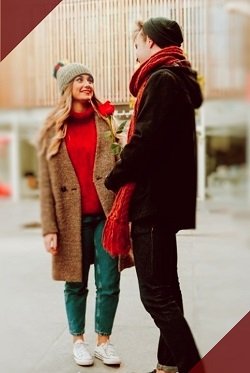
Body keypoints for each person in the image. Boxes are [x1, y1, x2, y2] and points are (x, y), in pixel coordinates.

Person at [103, 17, 204, 373]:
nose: (134, 52)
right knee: (168, 291)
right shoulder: (175, 77)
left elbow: (145, 142)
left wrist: (115, 177)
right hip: (164, 201)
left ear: (149, 42)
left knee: (156, 295)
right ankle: (168, 366)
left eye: (135, 44)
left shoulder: (160, 79)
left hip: (152, 203)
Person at [38, 61, 127, 367]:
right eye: (80, 80)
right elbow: (46, 184)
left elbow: (120, 165)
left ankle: (104, 341)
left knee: (109, 281)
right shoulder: (53, 128)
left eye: (90, 78)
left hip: (106, 215)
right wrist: (49, 229)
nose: (87, 83)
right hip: (69, 218)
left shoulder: (106, 122)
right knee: (75, 282)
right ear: (67, 87)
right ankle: (79, 341)